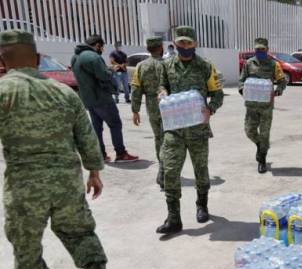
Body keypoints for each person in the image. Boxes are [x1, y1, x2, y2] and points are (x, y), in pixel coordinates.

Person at [0, 30, 118, 269]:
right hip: (66, 180)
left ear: (3, 60)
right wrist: (94, 172)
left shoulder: (3, 92)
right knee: (79, 231)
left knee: (25, 242)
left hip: (24, 185)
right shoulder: (64, 92)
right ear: (37, 59)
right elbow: (87, 138)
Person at [157, 26, 224, 234]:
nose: (185, 46)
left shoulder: (206, 66)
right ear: (175, 43)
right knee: (169, 171)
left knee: (201, 170)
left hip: (197, 129)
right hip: (174, 129)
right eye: (181, 43)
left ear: (195, 43)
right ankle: (173, 217)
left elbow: (218, 94)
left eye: (189, 43)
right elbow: (161, 86)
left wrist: (210, 109)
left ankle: (202, 204)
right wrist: (162, 93)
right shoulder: (166, 65)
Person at [71, 34, 139, 162]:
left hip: (88, 99)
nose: (102, 50)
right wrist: (111, 71)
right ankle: (121, 154)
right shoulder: (93, 57)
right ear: (97, 45)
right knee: (115, 124)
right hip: (102, 98)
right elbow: (103, 76)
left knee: (97, 128)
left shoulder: (75, 58)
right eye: (101, 47)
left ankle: (100, 155)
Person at [239, 37, 287, 174]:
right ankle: (260, 145)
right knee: (249, 131)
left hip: (266, 106)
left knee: (265, 134)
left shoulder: (273, 64)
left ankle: (262, 160)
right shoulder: (248, 63)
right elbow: (241, 80)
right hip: (251, 105)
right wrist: (243, 90)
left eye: (262, 49)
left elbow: (282, 80)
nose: (260, 51)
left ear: (267, 49)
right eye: (257, 49)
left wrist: (278, 90)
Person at [131, 36, 166, 188]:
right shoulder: (166, 64)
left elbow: (136, 89)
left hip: (151, 104)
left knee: (158, 137)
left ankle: (162, 168)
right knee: (169, 138)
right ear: (160, 48)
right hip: (167, 103)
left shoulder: (140, 66)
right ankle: (164, 171)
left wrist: (135, 110)